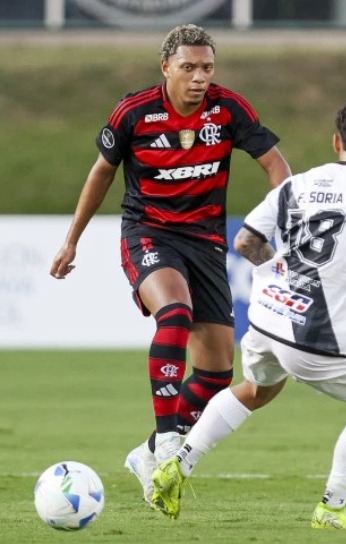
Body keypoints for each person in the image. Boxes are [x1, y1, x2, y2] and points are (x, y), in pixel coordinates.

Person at [149, 99, 346, 528]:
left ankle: (175, 466)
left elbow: (244, 242)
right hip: (315, 331)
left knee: (258, 389)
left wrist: (280, 274)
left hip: (266, 316)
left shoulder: (298, 184)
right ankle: (331, 508)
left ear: (337, 141)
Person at [49, 24, 291, 507]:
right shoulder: (134, 113)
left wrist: (281, 220)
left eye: (206, 67)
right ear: (166, 68)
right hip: (148, 234)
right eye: (189, 67)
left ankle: (147, 452)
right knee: (174, 313)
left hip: (205, 243)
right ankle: (167, 444)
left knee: (218, 373)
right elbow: (102, 171)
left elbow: (276, 165)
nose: (199, 76)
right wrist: (71, 241)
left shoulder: (228, 109)